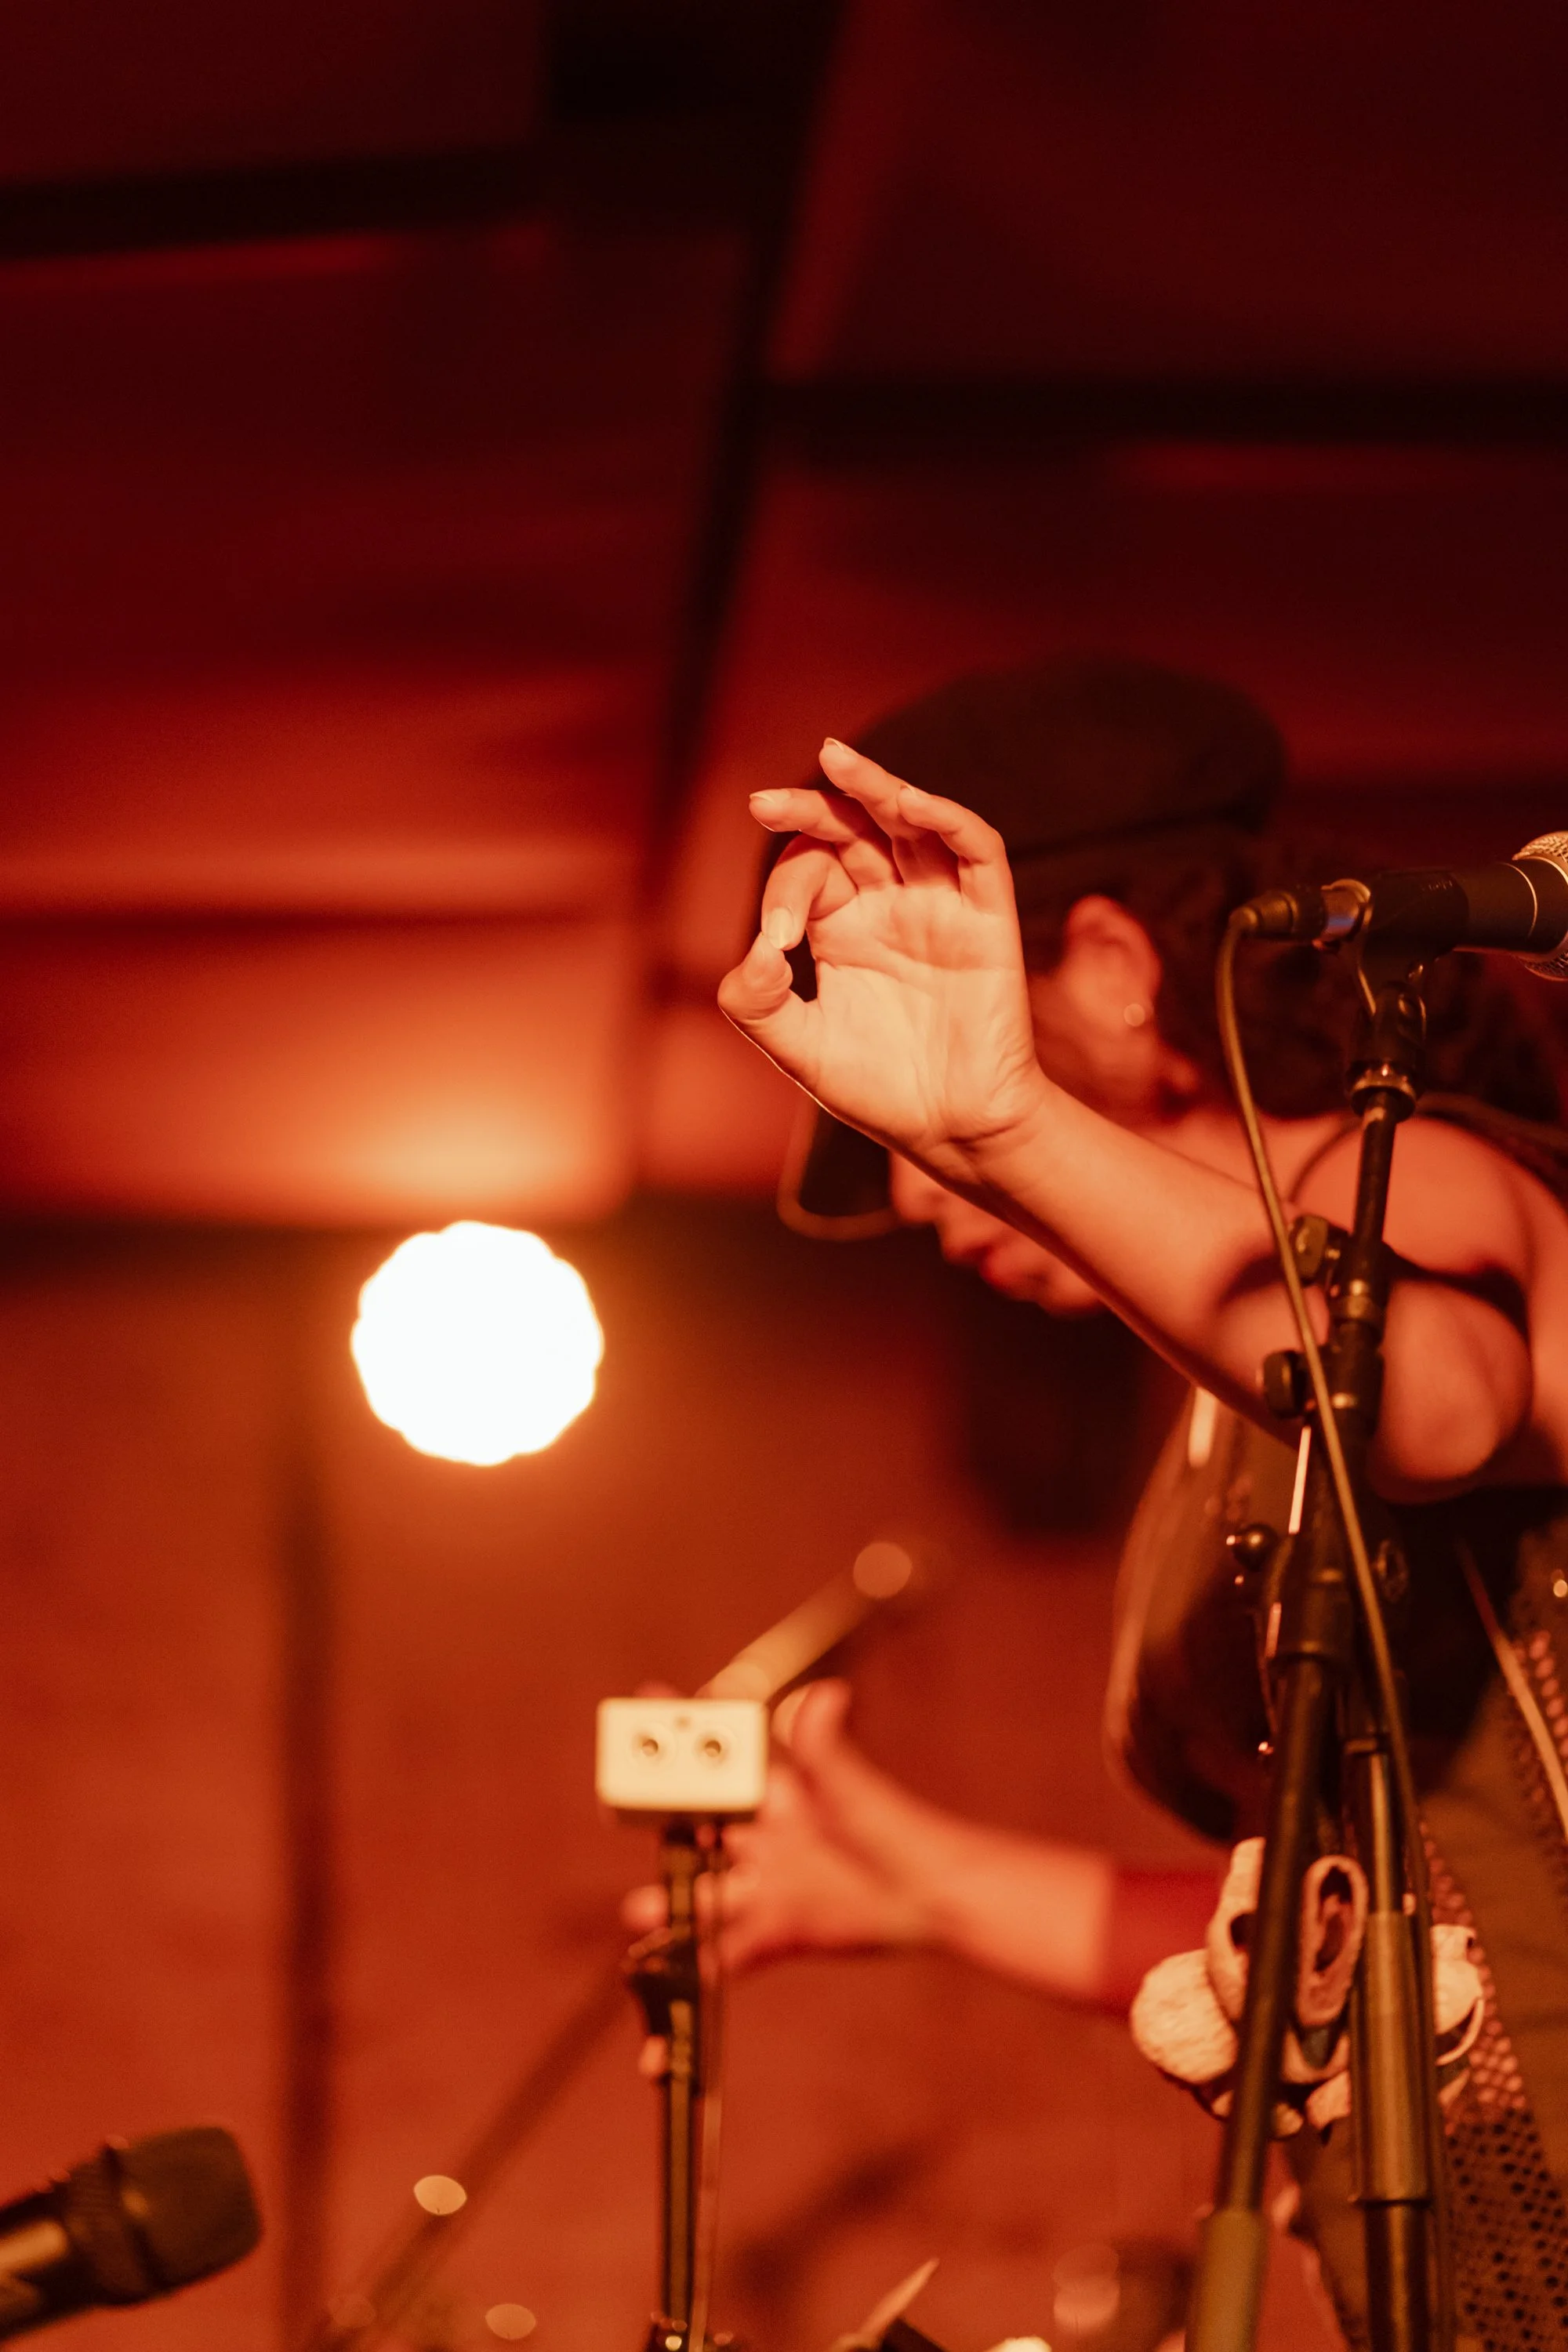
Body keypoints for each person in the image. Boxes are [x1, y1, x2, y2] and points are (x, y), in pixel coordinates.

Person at [628, 658, 1568, 2351]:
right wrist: (916, 1886)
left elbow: (1430, 1403)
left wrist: (1003, 1128)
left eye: (914, 1122)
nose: (917, 1200)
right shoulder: (1205, 1395)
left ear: (1118, 971)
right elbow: (1361, 1913)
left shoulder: (1405, 1171)